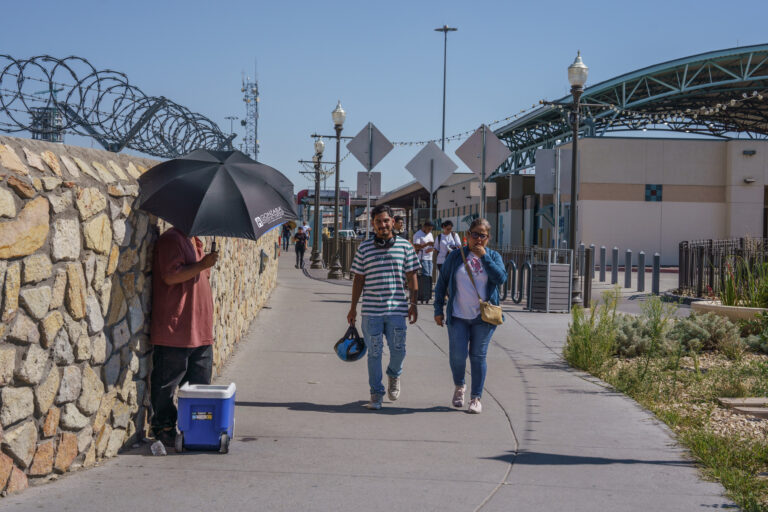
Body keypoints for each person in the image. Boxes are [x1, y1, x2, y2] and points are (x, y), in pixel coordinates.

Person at [150, 226, 218, 446]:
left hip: (200, 329)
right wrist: (202, 265)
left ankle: (195, 429)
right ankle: (164, 428)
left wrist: (204, 264)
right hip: (177, 329)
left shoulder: (195, 242)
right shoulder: (171, 239)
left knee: (200, 385)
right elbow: (170, 276)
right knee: (167, 384)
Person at [348, 204, 420, 410]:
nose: (382, 225)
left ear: (393, 222)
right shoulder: (364, 248)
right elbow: (358, 279)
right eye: (378, 221)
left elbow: (412, 276)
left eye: (386, 220)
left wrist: (413, 304)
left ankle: (394, 374)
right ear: (373, 224)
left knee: (399, 351)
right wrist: (353, 308)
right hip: (371, 312)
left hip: (397, 310)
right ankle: (376, 393)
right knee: (374, 353)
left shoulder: (405, 247)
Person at [433, 218, 506, 414]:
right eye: (475, 234)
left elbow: (500, 278)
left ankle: (476, 398)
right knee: (458, 355)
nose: (478, 239)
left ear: (488, 238)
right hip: (458, 316)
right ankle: (460, 385)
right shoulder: (456, 256)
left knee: (478, 356)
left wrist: (484, 258)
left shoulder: (493, 256)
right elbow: (441, 284)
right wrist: (438, 309)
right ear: (467, 236)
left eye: (483, 236)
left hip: (484, 318)